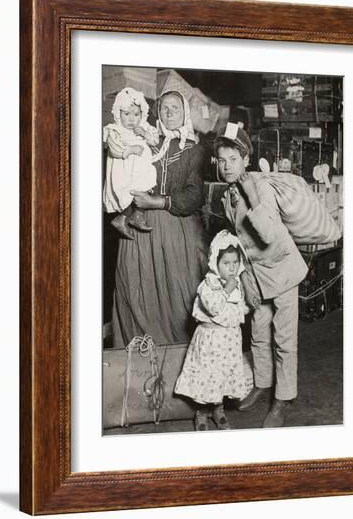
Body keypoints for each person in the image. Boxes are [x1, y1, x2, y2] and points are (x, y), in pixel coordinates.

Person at [213, 123, 308, 428]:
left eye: (233, 159)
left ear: (246, 160)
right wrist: (243, 279)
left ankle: (283, 398)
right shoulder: (227, 194)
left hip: (281, 270)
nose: (227, 167)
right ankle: (263, 384)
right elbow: (237, 242)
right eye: (222, 160)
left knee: (284, 338)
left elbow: (266, 233)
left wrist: (251, 192)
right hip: (255, 275)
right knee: (258, 333)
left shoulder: (260, 186)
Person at [111, 89, 208, 349]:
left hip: (176, 229)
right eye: (164, 108)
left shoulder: (194, 150)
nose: (168, 113)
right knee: (136, 292)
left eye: (175, 108)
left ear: (185, 112)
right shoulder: (145, 142)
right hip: (139, 231)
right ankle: (137, 360)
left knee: (178, 296)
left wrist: (157, 201)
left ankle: (181, 359)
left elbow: (194, 196)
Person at [174, 230, 249, 431]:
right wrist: (227, 289)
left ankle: (219, 409)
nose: (231, 268)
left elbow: (237, 309)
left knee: (222, 375)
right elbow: (214, 307)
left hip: (229, 340)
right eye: (226, 264)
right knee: (207, 376)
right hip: (210, 340)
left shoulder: (237, 283)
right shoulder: (208, 285)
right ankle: (202, 412)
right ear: (215, 263)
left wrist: (247, 306)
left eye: (235, 263)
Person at [103, 87, 160, 239]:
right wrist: (131, 150)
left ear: (142, 114)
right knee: (128, 192)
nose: (131, 119)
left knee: (145, 186)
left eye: (136, 114)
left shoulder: (145, 127)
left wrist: (145, 133)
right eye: (126, 114)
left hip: (142, 168)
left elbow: (155, 140)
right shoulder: (115, 130)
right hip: (124, 169)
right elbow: (114, 149)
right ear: (118, 113)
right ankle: (121, 217)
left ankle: (137, 216)